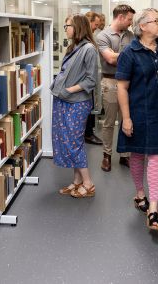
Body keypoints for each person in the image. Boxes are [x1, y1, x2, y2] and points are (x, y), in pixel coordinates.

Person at [116, 8, 158, 231]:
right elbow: (122, 87)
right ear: (142, 26)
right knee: (137, 154)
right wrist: (126, 118)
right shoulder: (129, 53)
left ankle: (153, 209)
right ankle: (140, 194)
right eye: (156, 20)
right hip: (138, 112)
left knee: (156, 156)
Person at [50, 14, 99, 198]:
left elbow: (91, 80)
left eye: (67, 26)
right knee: (68, 140)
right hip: (64, 100)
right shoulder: (74, 47)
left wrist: (68, 90)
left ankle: (88, 183)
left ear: (78, 27)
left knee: (74, 142)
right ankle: (77, 181)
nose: (65, 29)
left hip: (77, 102)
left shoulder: (89, 49)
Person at [96, 4, 135, 171]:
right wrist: (128, 55)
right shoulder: (103, 36)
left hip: (128, 83)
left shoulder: (131, 35)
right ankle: (107, 155)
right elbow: (110, 59)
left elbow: (135, 57)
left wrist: (118, 55)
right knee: (109, 122)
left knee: (127, 119)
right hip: (110, 81)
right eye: (129, 19)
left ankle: (125, 155)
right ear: (120, 17)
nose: (131, 23)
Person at [83, 11, 104, 146]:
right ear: (88, 22)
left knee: (90, 106)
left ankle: (88, 132)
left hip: (90, 78)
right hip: (84, 80)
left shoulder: (90, 38)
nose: (96, 27)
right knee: (87, 107)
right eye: (95, 24)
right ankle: (88, 134)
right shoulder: (83, 39)